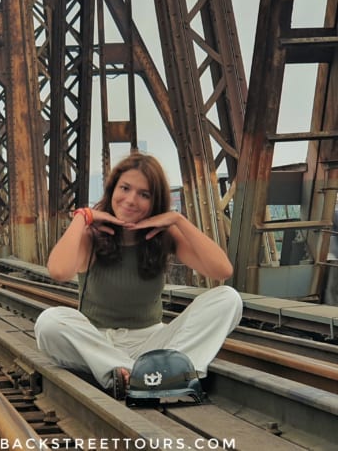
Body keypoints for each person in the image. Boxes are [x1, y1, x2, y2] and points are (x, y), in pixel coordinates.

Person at [34, 152, 243, 399]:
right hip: (98, 342)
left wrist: (177, 220)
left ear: (154, 202)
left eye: (144, 194)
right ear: (112, 190)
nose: (131, 200)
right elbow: (58, 271)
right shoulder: (92, 237)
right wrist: (83, 217)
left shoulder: (164, 238)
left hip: (150, 342)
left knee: (228, 298)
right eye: (125, 188)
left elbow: (222, 271)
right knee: (49, 322)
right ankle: (155, 376)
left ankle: (147, 373)